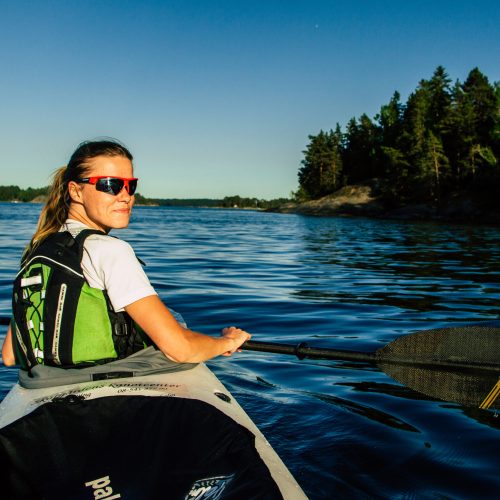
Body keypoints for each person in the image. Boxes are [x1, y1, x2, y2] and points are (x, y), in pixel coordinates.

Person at [1, 139, 251, 370]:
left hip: (42, 387)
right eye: (110, 185)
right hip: (101, 397)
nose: (126, 196)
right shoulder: (110, 250)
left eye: (131, 186)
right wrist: (225, 341)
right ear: (76, 191)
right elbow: (181, 349)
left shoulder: (39, 248)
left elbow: (10, 356)